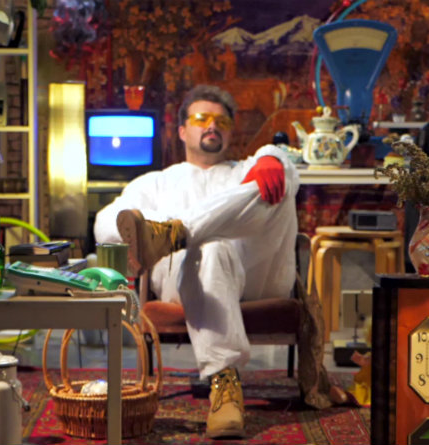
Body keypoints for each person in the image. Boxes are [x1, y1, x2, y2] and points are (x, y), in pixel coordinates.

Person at [94, 85, 341, 439]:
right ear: (182, 131)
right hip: (187, 280)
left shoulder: (246, 171)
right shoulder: (156, 183)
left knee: (278, 173)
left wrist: (272, 157)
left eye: (221, 121)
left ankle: (175, 233)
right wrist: (161, 234)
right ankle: (224, 382)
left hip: (256, 276)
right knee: (209, 250)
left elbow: (279, 164)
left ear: (230, 131)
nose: (212, 125)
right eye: (202, 118)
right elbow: (105, 223)